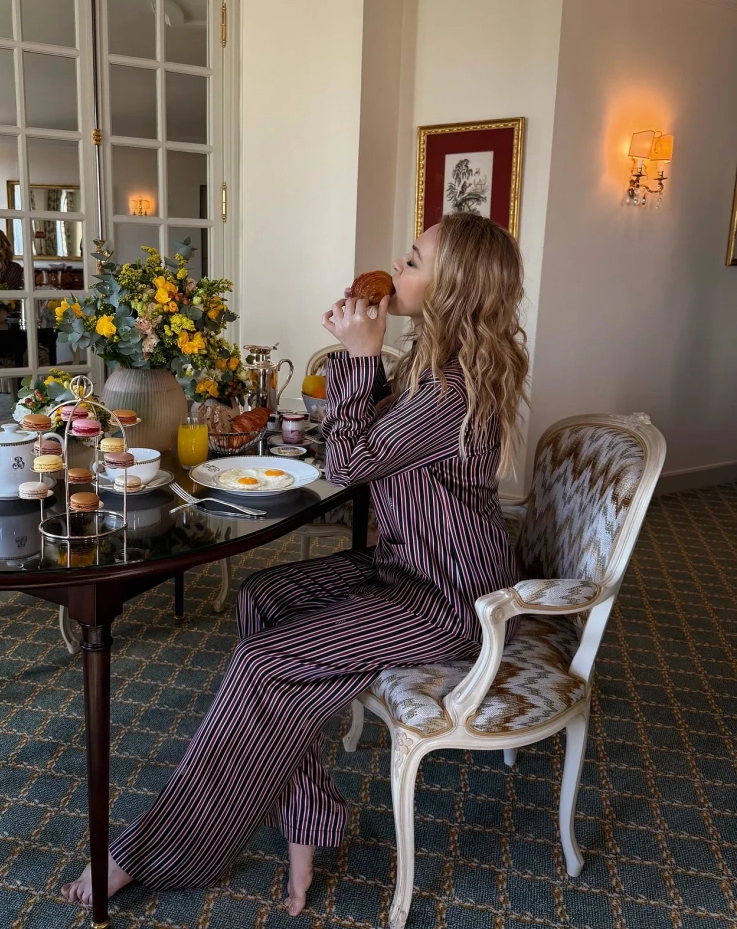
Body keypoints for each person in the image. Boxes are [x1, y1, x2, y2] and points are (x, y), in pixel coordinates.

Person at [61, 210, 530, 915]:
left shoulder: (450, 390)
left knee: (262, 665)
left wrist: (360, 358)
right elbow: (363, 444)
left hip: (448, 597)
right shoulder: (427, 368)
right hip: (404, 565)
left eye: (412, 261)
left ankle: (148, 850)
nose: (396, 267)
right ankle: (306, 822)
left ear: (453, 288)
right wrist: (362, 360)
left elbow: (348, 464)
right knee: (262, 598)